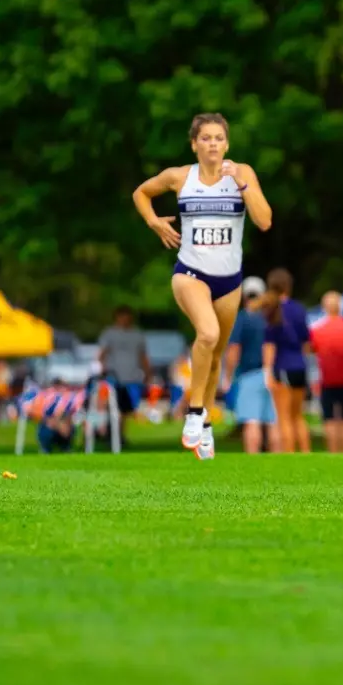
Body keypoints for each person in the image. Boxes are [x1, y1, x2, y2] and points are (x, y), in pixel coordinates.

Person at [131, 112, 274, 461]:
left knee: (213, 360)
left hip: (229, 280)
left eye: (218, 138)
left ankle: (205, 423)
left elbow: (265, 220)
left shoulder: (242, 173)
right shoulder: (180, 177)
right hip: (190, 273)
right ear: (194, 144)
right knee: (206, 335)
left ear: (227, 143)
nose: (213, 144)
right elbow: (141, 192)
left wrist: (241, 182)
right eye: (206, 138)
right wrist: (153, 222)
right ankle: (194, 415)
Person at [260, 268, 312, 454]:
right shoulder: (299, 309)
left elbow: (269, 346)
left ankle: (289, 456)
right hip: (300, 365)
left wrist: (267, 372)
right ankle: (306, 454)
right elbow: (307, 342)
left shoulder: (272, 309)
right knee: (298, 416)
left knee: (284, 417)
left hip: (282, 366)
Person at [222, 277, 276, 454]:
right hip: (273, 374)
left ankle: (253, 458)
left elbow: (234, 349)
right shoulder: (271, 317)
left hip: (249, 374)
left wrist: (228, 376)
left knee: (251, 421)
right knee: (273, 421)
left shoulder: (243, 318)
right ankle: (280, 460)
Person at [310, 291, 343, 453]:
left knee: (329, 419)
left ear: (325, 307)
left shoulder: (318, 330)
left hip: (328, 380)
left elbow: (312, 350)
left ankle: (332, 452)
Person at [95, 306, 151, 434]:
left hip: (132, 377)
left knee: (126, 409)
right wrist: (102, 369)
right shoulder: (109, 334)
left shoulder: (137, 335)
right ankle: (105, 431)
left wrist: (148, 373)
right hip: (114, 377)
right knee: (110, 406)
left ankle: (120, 434)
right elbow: (101, 354)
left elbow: (143, 356)